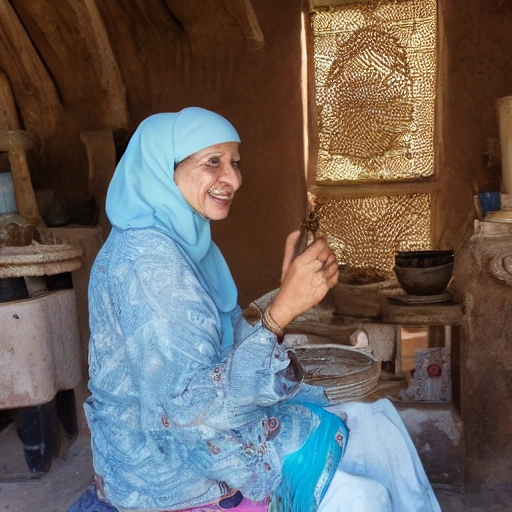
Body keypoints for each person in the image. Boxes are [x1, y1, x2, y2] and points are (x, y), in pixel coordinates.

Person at [69, 107, 441, 512]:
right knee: (363, 497)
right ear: (163, 167)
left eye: (234, 162)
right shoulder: (147, 262)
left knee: (378, 422)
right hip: (165, 461)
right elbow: (189, 410)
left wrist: (286, 299)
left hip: (201, 428)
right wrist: (279, 312)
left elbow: (217, 344)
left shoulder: (185, 243)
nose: (233, 178)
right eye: (212, 162)